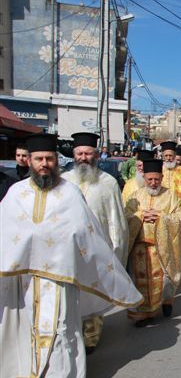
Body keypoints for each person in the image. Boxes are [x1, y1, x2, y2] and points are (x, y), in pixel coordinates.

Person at [0, 134, 142, 378]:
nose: (44, 164)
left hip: (60, 275)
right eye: (39, 159)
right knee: (24, 325)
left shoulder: (69, 192)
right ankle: (23, 375)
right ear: (29, 161)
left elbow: (86, 232)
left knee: (60, 326)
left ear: (56, 161)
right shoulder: (16, 193)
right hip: (24, 279)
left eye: (49, 159)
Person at [61, 132, 129, 354]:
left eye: (88, 153)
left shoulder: (108, 183)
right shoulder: (63, 181)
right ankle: (71, 330)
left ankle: (91, 337)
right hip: (68, 248)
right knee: (71, 293)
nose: (83, 157)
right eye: (79, 153)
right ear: (74, 155)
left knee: (93, 291)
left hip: (97, 247)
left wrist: (116, 248)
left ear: (96, 155)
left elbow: (116, 219)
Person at [124, 159, 181, 326]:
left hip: (162, 247)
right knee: (139, 281)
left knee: (164, 280)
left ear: (161, 177)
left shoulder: (170, 195)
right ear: (144, 177)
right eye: (149, 179)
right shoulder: (135, 197)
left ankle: (166, 302)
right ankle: (143, 315)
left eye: (157, 179)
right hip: (139, 248)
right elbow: (125, 218)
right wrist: (139, 216)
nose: (153, 183)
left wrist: (161, 217)